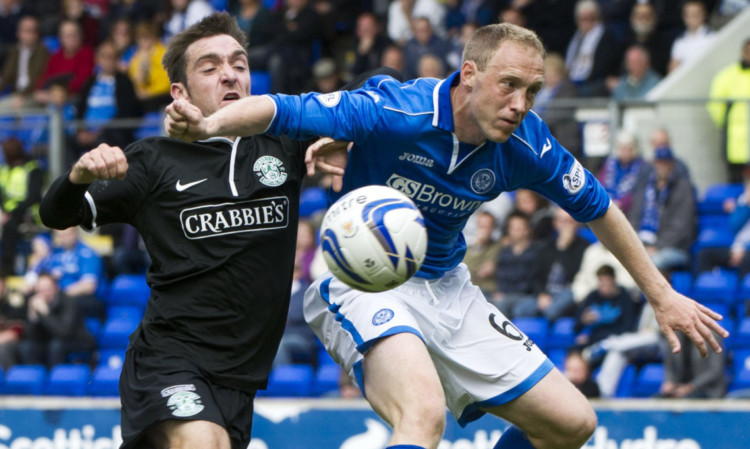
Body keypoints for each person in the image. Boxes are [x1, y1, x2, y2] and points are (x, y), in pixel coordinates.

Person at [165, 22, 727, 449]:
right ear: (469, 75)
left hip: (449, 287)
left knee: (572, 424)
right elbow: (281, 109)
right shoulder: (396, 110)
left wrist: (662, 294)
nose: (519, 105)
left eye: (531, 90)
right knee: (423, 414)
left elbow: (600, 208)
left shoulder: (526, 143)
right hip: (362, 282)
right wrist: (210, 123)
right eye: (508, 86)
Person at [40, 12, 355, 449]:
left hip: (239, 379)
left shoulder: (285, 142)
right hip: (168, 361)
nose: (229, 74)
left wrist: (341, 135)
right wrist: (77, 176)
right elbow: (55, 215)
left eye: (239, 64)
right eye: (210, 67)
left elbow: (382, 83)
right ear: (179, 93)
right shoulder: (152, 160)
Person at [628, 146, 697, 273]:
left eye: (666, 162)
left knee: (650, 264)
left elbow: (681, 227)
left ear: (672, 164)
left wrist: (657, 246)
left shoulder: (683, 188)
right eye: (660, 162)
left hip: (672, 248)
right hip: (641, 243)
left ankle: (640, 293)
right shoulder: (645, 187)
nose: (663, 166)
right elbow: (634, 217)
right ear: (654, 163)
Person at [16, 272, 96, 367]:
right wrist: (33, 316)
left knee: (56, 345)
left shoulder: (68, 301)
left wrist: (45, 313)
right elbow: (30, 336)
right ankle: (34, 378)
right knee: (26, 347)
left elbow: (64, 332)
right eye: (40, 289)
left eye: (47, 288)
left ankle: (56, 377)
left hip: (76, 339)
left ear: (56, 287)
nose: (44, 292)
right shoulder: (35, 303)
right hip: (49, 341)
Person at [708, 38, 750, 183]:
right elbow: (715, 104)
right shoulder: (727, 76)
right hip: (734, 143)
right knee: (736, 183)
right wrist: (725, 124)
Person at [0, 137, 44, 276]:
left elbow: (33, 197)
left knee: (9, 227)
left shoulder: (33, 169)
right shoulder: (4, 170)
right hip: (7, 213)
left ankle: (6, 271)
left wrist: (10, 213)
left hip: (27, 214)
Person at [596, 129, 652, 215]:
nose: (625, 152)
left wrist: (620, 204)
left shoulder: (642, 167)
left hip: (629, 213)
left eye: (629, 148)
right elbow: (600, 185)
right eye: (622, 148)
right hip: (605, 208)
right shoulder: (610, 164)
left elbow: (638, 194)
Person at [0, 15, 49, 110]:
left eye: (32, 31)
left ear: (37, 34)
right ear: (19, 33)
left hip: (33, 94)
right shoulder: (14, 51)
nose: (29, 35)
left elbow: (36, 77)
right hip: (16, 94)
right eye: (26, 31)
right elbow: (7, 76)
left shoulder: (42, 52)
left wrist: (22, 96)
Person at [668, 0, 715, 73]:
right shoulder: (680, 41)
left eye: (695, 14)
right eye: (688, 15)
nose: (692, 18)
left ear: (704, 14)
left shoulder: (712, 37)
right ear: (684, 16)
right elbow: (673, 69)